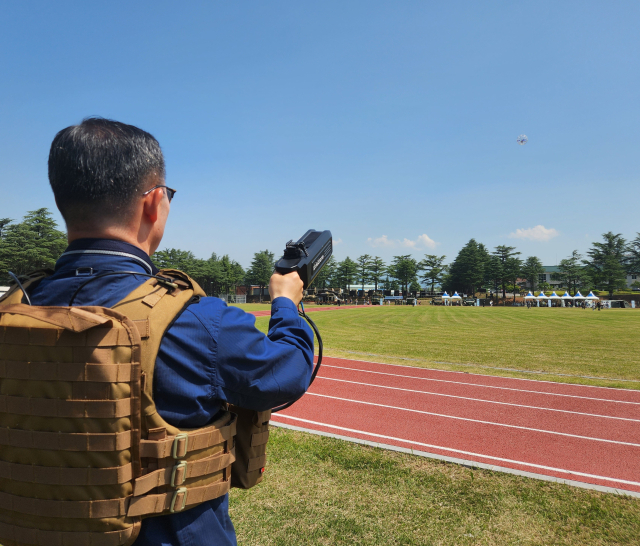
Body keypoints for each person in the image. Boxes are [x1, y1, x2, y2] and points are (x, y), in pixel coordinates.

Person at [27, 118, 314, 546]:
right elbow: (286, 374)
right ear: (154, 202)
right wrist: (287, 303)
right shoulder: (196, 319)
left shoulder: (18, 307)